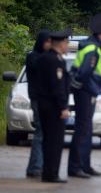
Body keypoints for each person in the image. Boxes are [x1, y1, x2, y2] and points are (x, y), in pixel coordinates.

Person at [68, 13, 101, 178]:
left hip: (85, 91)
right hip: (86, 92)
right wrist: (85, 88)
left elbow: (76, 69)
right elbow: (85, 71)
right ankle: (75, 167)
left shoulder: (89, 45)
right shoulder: (93, 48)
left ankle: (85, 166)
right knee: (82, 130)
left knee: (87, 130)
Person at [37, 29, 71, 183]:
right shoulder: (56, 61)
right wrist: (63, 107)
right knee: (55, 141)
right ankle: (52, 174)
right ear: (62, 43)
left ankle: (47, 172)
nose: (68, 46)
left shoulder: (44, 58)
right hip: (53, 107)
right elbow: (58, 87)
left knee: (47, 140)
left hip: (44, 105)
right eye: (67, 43)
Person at [26, 30, 52, 178]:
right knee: (40, 133)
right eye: (47, 42)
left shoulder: (44, 57)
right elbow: (41, 68)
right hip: (37, 99)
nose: (50, 45)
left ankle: (35, 167)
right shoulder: (33, 57)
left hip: (45, 99)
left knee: (42, 133)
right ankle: (36, 167)